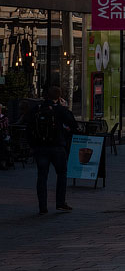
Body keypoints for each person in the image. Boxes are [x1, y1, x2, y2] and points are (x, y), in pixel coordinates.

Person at [29, 86, 76, 214]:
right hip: (57, 147)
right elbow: (73, 124)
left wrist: (32, 145)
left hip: (40, 147)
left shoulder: (37, 109)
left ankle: (42, 206)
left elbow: (29, 126)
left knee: (42, 176)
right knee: (61, 174)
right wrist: (65, 108)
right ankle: (60, 202)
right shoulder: (60, 110)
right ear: (59, 97)